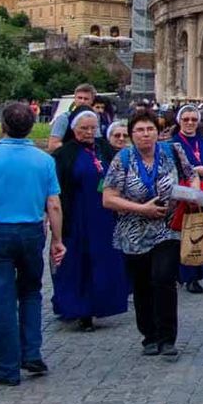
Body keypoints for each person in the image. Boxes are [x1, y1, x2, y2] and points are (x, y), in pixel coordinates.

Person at [101, 108, 194, 359]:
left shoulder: (172, 151)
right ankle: (149, 335)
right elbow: (108, 198)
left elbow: (191, 175)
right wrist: (142, 209)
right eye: (140, 130)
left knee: (163, 278)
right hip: (134, 230)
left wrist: (191, 195)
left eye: (150, 129)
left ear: (158, 132)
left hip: (167, 227)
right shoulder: (122, 159)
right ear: (132, 134)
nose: (146, 134)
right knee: (142, 284)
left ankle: (167, 338)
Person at [0, 102, 65, 385]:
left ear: (3, 125)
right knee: (31, 292)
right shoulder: (44, 161)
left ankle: (8, 367)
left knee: (3, 300)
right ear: (31, 126)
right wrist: (57, 240)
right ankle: (32, 352)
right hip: (32, 231)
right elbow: (53, 204)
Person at [51, 110, 128, 331]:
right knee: (79, 263)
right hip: (78, 216)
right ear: (74, 129)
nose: (88, 132)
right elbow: (58, 190)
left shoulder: (104, 149)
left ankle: (100, 304)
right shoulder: (64, 154)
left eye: (92, 128)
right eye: (84, 128)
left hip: (105, 216)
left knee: (103, 261)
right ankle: (80, 309)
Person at [172, 104, 203, 294]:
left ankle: (200, 272)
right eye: (186, 119)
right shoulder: (174, 143)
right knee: (188, 233)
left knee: (200, 232)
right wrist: (195, 171)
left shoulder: (202, 141)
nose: (190, 123)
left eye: (194, 119)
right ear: (179, 121)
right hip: (184, 194)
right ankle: (188, 276)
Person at [47, 83, 96, 152]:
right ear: (74, 99)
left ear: (92, 101)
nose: (82, 101)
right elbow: (52, 145)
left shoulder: (95, 119)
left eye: (86, 99)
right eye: (79, 98)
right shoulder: (64, 118)